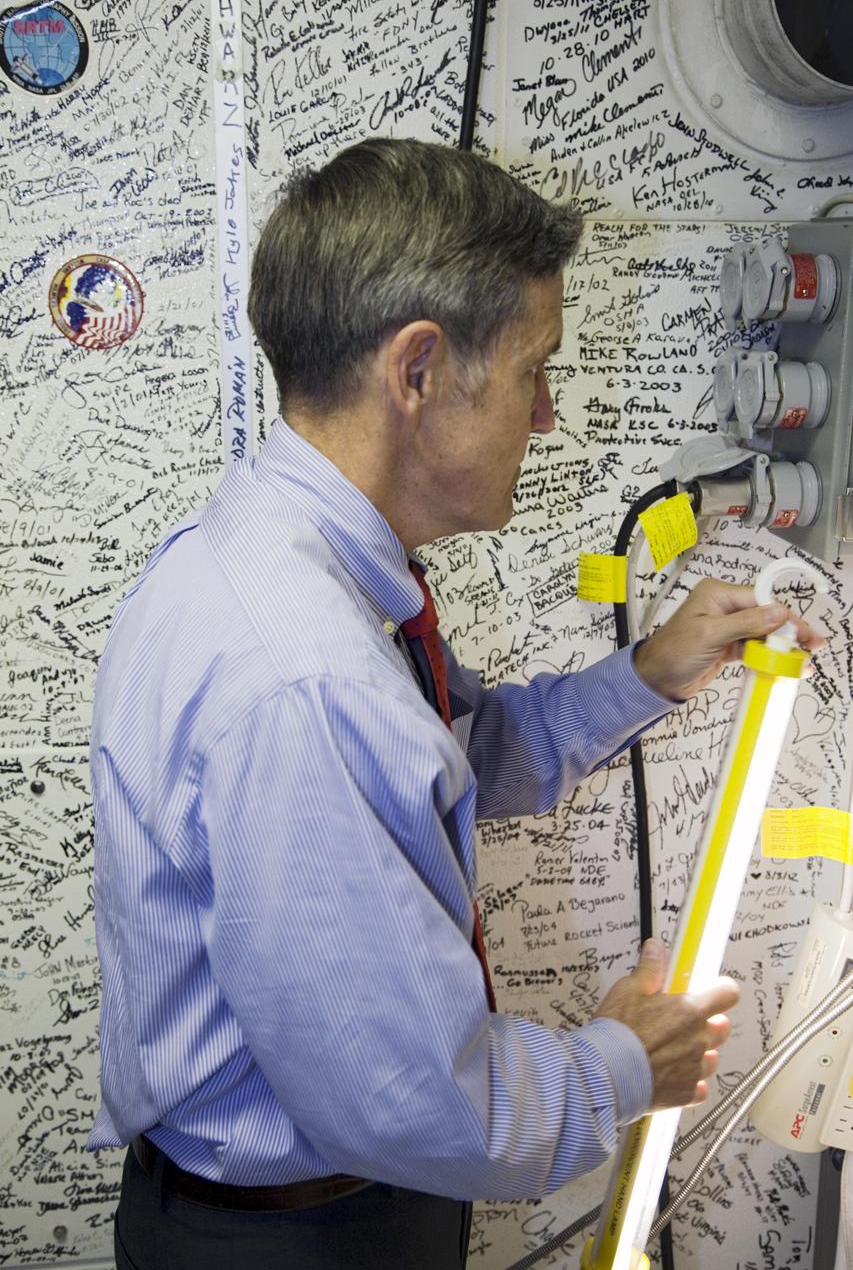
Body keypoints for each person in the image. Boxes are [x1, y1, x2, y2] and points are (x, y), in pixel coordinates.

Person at [87, 138, 822, 1270]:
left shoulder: (260, 566)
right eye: (534, 368)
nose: (547, 415)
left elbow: (446, 757)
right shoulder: (307, 680)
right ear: (419, 370)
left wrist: (650, 671)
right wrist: (631, 1062)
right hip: (305, 1241)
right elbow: (425, 1102)